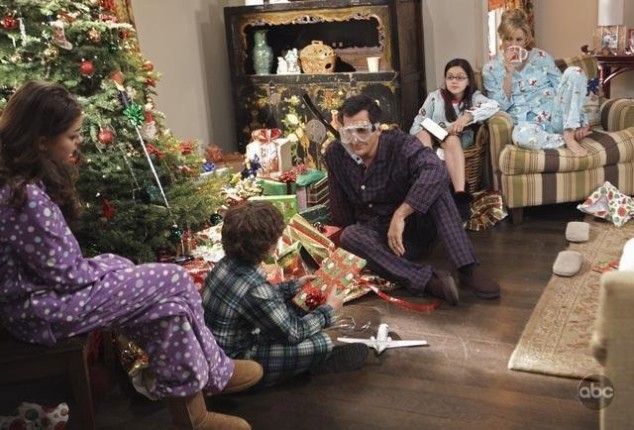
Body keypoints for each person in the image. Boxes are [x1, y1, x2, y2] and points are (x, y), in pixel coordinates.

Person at [0, 80, 262, 430]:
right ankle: (217, 371)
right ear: (41, 140)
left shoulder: (23, 182)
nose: (78, 144)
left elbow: (60, 268)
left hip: (42, 303)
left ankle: (193, 417)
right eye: (72, 136)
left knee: (167, 309)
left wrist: (108, 266)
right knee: (174, 277)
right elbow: (67, 275)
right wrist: (110, 264)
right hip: (44, 310)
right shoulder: (25, 197)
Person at [324, 94, 501, 306]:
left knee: (436, 185)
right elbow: (341, 213)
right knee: (350, 236)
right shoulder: (336, 154)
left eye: (362, 130)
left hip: (417, 227)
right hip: (380, 238)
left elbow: (436, 169)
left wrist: (401, 214)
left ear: (378, 129)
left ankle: (467, 267)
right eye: (348, 132)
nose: (355, 140)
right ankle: (428, 281)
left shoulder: (400, 143)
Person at [201, 201, 368, 388]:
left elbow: (256, 300)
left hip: (220, 347)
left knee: (295, 307)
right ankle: (307, 364)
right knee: (321, 343)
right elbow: (293, 333)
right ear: (268, 246)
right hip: (234, 362)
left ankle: (300, 363)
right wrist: (329, 310)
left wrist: (294, 286)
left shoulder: (226, 264)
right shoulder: (255, 287)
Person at [482, 8, 591, 156]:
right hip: (529, 125)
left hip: (557, 116)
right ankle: (562, 139)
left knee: (575, 72)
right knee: (520, 137)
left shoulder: (541, 57)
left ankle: (569, 135)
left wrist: (582, 122)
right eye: (508, 39)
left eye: (519, 40)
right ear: (501, 37)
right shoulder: (490, 69)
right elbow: (500, 107)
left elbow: (566, 90)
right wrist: (508, 74)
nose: (513, 45)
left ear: (526, 39)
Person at [410, 58, 499, 220]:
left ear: (468, 80)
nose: (454, 81)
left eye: (460, 77)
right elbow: (418, 123)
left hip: (457, 141)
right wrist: (436, 134)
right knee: (422, 133)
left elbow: (494, 105)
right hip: (431, 139)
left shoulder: (474, 97)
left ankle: (459, 194)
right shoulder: (435, 97)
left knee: (451, 139)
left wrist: (466, 117)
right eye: (450, 77)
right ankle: (428, 181)